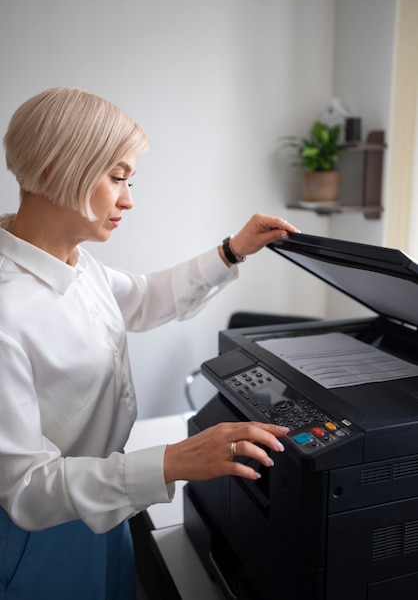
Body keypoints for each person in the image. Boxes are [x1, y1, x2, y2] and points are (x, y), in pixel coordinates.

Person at [0, 87, 298, 600]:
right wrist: (172, 461)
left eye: (130, 179)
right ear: (52, 170)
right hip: (40, 534)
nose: (129, 198)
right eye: (117, 177)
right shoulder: (7, 310)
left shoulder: (75, 261)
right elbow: (25, 488)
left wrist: (231, 252)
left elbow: (139, 299)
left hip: (105, 504)